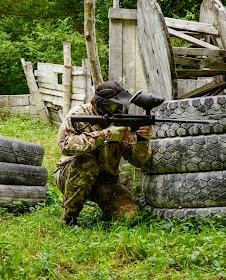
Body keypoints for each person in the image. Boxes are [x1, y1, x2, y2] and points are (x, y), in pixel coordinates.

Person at [54, 81, 153, 226]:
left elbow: (138, 161)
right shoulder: (79, 115)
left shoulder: (122, 122)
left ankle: (107, 208)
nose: (117, 110)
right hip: (70, 176)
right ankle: (69, 219)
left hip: (105, 181)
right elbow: (65, 145)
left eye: (119, 105)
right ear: (99, 103)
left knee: (131, 216)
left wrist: (143, 140)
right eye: (112, 106)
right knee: (87, 162)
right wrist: (103, 135)